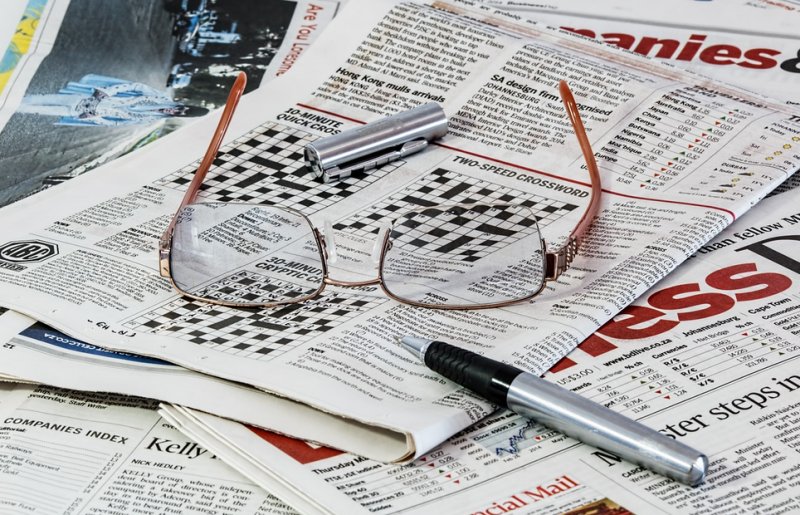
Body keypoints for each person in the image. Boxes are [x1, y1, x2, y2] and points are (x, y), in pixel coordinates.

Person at [18, 74, 209, 126]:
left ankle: (12, 107)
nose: (174, 111)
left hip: (82, 111)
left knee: (35, 110)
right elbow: (136, 86)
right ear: (182, 104)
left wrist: (95, 118)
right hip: (87, 98)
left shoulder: (150, 120)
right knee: (38, 99)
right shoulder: (161, 97)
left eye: (180, 114)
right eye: (181, 108)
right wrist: (108, 92)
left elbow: (116, 123)